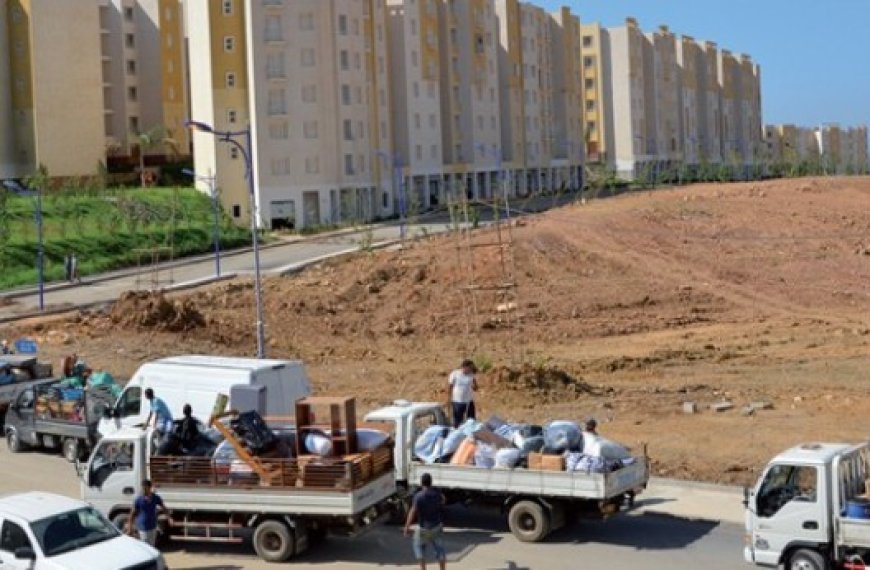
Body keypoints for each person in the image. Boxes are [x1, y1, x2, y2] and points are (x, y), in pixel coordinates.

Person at [404, 473, 447, 570]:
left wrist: (407, 527)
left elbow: (412, 512)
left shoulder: (418, 496)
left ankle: (422, 568)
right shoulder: (437, 495)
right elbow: (443, 501)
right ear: (431, 483)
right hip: (436, 526)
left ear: (421, 483)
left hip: (423, 528)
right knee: (440, 550)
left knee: (418, 546)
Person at [127, 479, 165, 546]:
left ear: (150, 488)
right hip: (143, 528)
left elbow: (164, 507)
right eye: (143, 488)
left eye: (145, 488)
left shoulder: (155, 498)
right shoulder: (138, 499)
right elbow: (132, 515)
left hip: (153, 526)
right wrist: (130, 528)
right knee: (145, 546)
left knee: (152, 546)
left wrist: (169, 517)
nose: (144, 490)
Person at [447, 359, 478, 428]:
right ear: (464, 367)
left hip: (469, 401)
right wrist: (448, 399)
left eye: (471, 368)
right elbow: (450, 387)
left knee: (471, 420)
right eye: (469, 367)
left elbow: (476, 387)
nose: (470, 369)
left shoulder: (471, 375)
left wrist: (474, 386)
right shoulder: (455, 374)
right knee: (458, 421)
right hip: (458, 402)